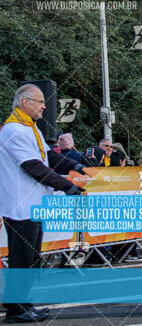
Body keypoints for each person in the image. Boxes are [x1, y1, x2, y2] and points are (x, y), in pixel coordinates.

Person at [0, 84, 85, 323]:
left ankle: (23, 303)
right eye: (39, 102)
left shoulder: (30, 128)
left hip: (34, 204)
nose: (44, 106)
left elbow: (48, 157)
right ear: (25, 103)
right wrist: (67, 186)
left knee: (30, 256)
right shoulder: (14, 130)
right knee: (22, 257)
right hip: (20, 205)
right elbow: (33, 167)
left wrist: (75, 166)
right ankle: (16, 309)